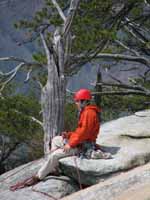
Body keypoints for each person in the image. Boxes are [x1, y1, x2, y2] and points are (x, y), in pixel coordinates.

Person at [10, 88, 101, 190]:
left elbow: (84, 133)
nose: (76, 103)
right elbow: (81, 132)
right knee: (56, 139)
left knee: (54, 155)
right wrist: (69, 135)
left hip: (83, 146)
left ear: (84, 101)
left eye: (77, 101)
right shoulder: (86, 111)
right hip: (81, 141)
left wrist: (70, 144)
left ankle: (38, 177)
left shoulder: (89, 113)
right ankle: (54, 168)